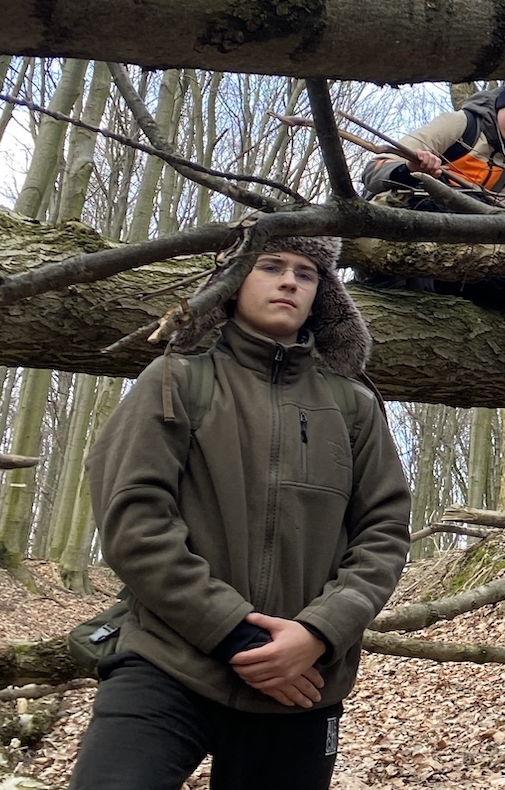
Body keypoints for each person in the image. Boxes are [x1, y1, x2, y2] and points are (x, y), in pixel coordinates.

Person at [73, 239, 412, 789]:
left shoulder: (354, 405)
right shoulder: (175, 381)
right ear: (232, 285)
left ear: (322, 297)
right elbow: (134, 520)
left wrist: (318, 633)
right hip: (167, 663)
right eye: (271, 266)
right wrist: (236, 637)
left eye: (306, 273)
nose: (289, 281)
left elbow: (384, 533)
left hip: (302, 683)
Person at [359, 78, 505, 307]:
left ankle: (434, 285)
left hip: (461, 243)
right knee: (438, 204)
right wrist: (411, 169)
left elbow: (501, 225)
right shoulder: (461, 124)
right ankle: (395, 277)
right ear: (501, 105)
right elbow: (374, 170)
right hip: (409, 218)